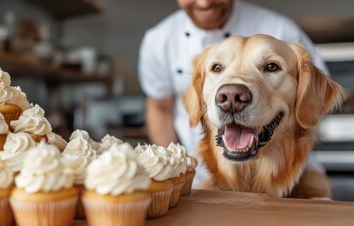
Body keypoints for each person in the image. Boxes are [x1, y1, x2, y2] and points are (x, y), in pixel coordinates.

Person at [138, 0, 328, 185]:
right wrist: (172, 171)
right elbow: (159, 108)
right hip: (201, 177)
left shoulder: (282, 29)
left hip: (296, 176)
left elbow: (315, 101)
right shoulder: (158, 39)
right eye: (217, 68)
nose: (204, 3)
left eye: (271, 66)